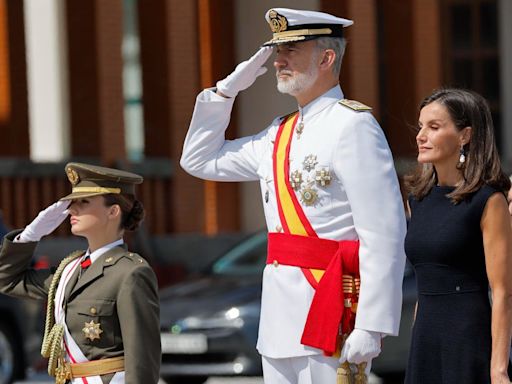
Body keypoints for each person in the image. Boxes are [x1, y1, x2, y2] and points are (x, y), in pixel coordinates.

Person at [180, 7, 406, 383]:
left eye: (291, 51)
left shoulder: (353, 125)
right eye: (277, 51)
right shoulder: (278, 133)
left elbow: (384, 233)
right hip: (278, 319)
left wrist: (372, 323)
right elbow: (199, 160)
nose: (278, 61)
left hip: (332, 306)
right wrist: (224, 92)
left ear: (326, 58)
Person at [0, 163, 161, 384]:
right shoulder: (69, 271)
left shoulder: (130, 273)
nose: (72, 210)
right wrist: (30, 235)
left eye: (83, 202)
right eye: (73, 202)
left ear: (113, 211)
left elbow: (142, 359)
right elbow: (7, 280)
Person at [404, 88, 512, 384]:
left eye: (434, 127)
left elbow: (502, 291)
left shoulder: (488, 201)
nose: (421, 135)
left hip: (467, 339)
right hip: (425, 340)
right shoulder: (418, 199)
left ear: (465, 136)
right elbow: (425, 278)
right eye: (421, 126)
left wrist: (498, 369)